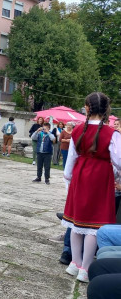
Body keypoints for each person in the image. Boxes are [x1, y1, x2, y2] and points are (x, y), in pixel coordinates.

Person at [62, 92, 121, 283]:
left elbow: (71, 159)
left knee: (77, 222)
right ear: (106, 110)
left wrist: (69, 179)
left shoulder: (78, 130)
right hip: (100, 178)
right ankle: (85, 268)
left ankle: (75, 263)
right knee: (95, 225)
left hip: (80, 175)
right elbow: (119, 160)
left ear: (87, 108)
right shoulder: (112, 134)